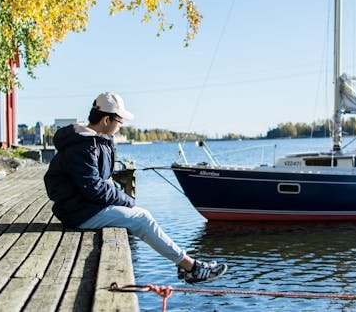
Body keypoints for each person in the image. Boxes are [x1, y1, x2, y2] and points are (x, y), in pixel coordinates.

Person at [44, 92, 227, 284]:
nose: (121, 126)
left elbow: (100, 183)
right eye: (120, 121)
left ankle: (186, 265)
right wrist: (128, 201)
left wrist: (126, 201)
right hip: (77, 212)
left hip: (84, 206)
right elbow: (94, 188)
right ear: (107, 119)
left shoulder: (95, 140)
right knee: (141, 218)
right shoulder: (83, 147)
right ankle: (192, 267)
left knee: (141, 215)